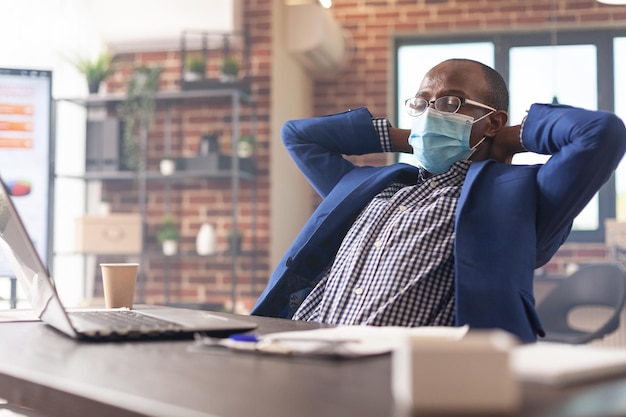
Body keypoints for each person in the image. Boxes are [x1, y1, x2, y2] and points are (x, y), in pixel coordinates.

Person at [251, 58, 626, 343]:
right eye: (421, 104)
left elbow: (600, 133)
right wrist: (408, 138)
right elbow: (297, 135)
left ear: (492, 122)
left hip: (404, 377)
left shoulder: (517, 198)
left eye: (450, 104)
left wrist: (514, 138)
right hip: (301, 346)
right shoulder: (368, 184)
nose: (431, 114)